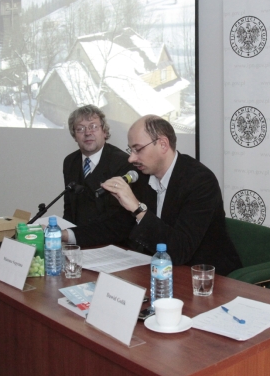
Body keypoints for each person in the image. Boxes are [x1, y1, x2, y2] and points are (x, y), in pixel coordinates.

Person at [84, 114, 241, 276]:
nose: (131, 158)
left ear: (163, 144)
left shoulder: (200, 181)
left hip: (205, 275)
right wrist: (70, 236)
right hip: (160, 269)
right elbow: (116, 225)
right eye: (130, 150)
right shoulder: (142, 176)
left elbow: (180, 250)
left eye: (138, 149)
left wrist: (137, 209)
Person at [62, 105, 146, 247]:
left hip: (113, 245)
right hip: (76, 243)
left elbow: (119, 220)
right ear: (74, 136)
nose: (87, 133)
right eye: (80, 129)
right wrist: (65, 239)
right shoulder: (70, 161)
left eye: (93, 126)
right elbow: (69, 207)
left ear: (105, 132)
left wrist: (70, 235)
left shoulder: (123, 163)